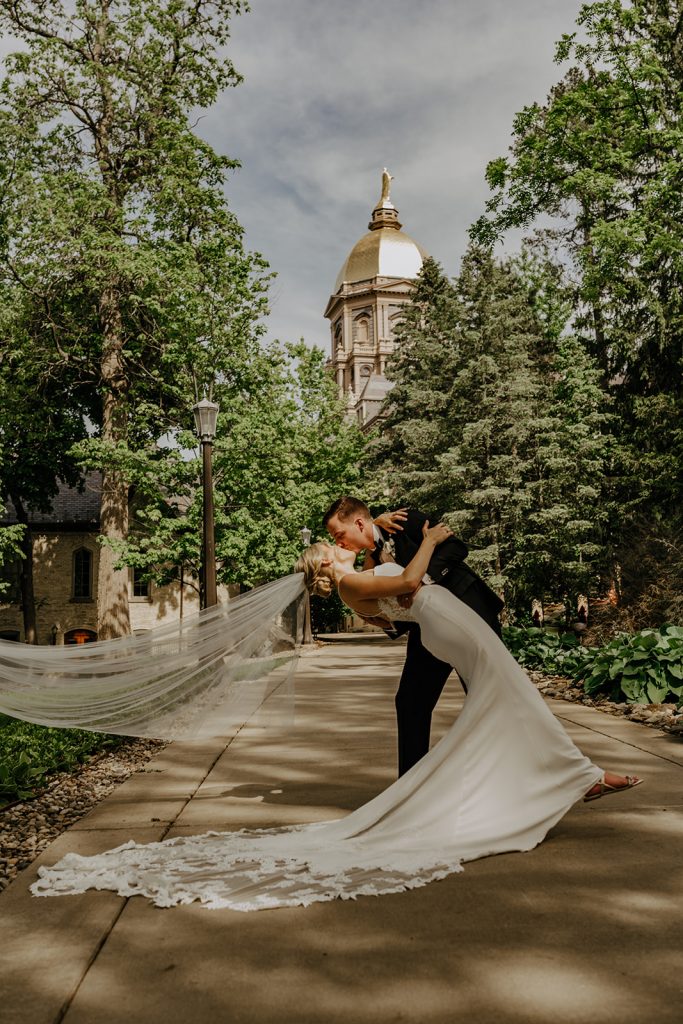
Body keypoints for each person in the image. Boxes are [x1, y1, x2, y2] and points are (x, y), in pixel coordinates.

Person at [33, 524, 641, 913]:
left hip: (443, 623)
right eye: (335, 545)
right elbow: (405, 580)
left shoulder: (352, 580)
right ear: (328, 562)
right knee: (512, 693)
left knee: (508, 698)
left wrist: (400, 590)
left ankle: (569, 776)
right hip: (450, 621)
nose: (344, 546)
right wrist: (431, 539)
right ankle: (576, 776)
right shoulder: (352, 577)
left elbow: (394, 605)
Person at [324, 496, 504, 775]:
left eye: (339, 534)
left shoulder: (403, 521)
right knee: (410, 703)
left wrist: (423, 582)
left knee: (486, 697)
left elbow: (457, 547)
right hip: (429, 631)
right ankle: (411, 786)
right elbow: (394, 608)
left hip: (470, 614)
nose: (339, 543)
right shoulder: (369, 560)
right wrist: (385, 621)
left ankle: (503, 776)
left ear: (359, 523)